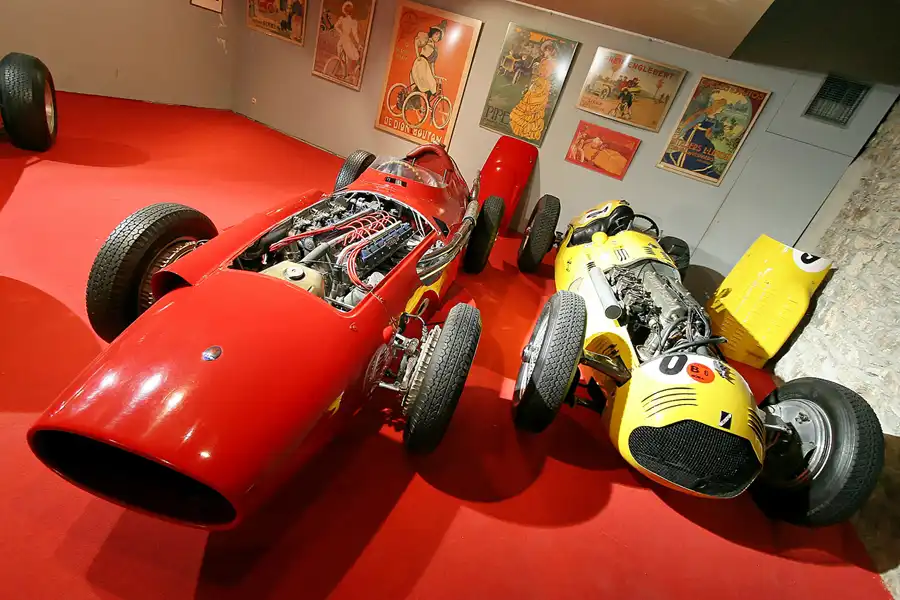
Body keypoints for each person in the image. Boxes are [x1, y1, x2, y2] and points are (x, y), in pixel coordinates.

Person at [662, 89, 745, 177]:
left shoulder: (715, 118)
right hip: (696, 135)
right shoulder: (703, 115)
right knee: (698, 148)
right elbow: (691, 124)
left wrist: (723, 129)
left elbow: (716, 129)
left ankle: (700, 165)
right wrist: (683, 132)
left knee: (708, 148)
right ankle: (688, 163)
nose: (721, 111)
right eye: (721, 108)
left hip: (703, 136)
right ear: (716, 107)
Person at [509, 39, 558, 142]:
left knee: (535, 105)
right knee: (528, 101)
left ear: (551, 51)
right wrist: (536, 70)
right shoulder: (543, 60)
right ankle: (523, 127)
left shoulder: (552, 62)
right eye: (545, 50)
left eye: (547, 50)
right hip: (537, 81)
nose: (545, 52)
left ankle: (529, 128)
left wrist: (539, 72)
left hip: (542, 84)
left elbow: (545, 74)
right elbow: (538, 71)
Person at [410, 20, 446, 99]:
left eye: (439, 36)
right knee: (430, 84)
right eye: (436, 34)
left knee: (432, 84)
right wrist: (418, 56)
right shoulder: (426, 40)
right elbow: (416, 41)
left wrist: (434, 75)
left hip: (426, 67)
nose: (437, 37)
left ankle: (427, 103)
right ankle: (426, 102)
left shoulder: (435, 49)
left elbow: (432, 64)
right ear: (432, 33)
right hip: (421, 64)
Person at [334, 1, 362, 75]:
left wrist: (341, 32)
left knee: (343, 56)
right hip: (346, 41)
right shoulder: (353, 22)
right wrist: (358, 44)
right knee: (355, 55)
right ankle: (346, 72)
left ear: (344, 11)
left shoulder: (342, 19)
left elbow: (336, 26)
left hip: (342, 40)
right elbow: (355, 34)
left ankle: (343, 71)